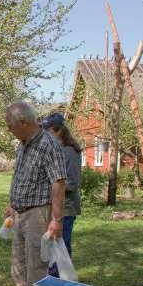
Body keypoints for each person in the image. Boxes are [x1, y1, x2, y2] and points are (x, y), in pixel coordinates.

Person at [4, 101, 66, 286]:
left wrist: (56, 219)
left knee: (36, 266)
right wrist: (11, 202)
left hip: (38, 214)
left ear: (22, 122)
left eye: (9, 125)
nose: (8, 129)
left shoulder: (50, 145)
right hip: (20, 214)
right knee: (18, 264)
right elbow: (19, 176)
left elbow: (58, 183)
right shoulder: (22, 145)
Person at [42, 112, 82, 276]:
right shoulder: (56, 149)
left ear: (58, 130)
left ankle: (61, 283)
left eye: (47, 131)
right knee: (53, 248)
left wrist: (49, 185)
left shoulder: (69, 152)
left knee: (62, 249)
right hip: (55, 207)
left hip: (66, 208)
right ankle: (54, 281)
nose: (44, 135)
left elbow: (72, 183)